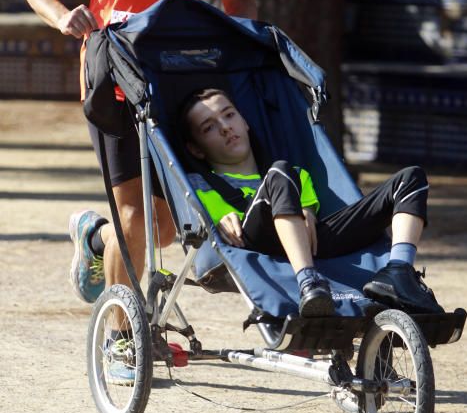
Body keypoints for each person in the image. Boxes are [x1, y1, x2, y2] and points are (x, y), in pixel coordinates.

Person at [24, 0, 258, 329]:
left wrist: (235, 42)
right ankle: (122, 338)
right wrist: (64, 16)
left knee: (165, 226)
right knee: (137, 218)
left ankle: (94, 236)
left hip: (178, 79)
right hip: (113, 81)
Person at [179, 88, 444, 318]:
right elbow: (208, 216)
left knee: (411, 178)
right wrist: (218, 216)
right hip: (253, 241)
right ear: (196, 149)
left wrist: (306, 210)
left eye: (229, 115)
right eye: (209, 127)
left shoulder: (295, 174)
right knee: (279, 172)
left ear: (245, 121)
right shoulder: (196, 185)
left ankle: (399, 271)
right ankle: (308, 281)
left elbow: (308, 215)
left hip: (311, 239)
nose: (225, 127)